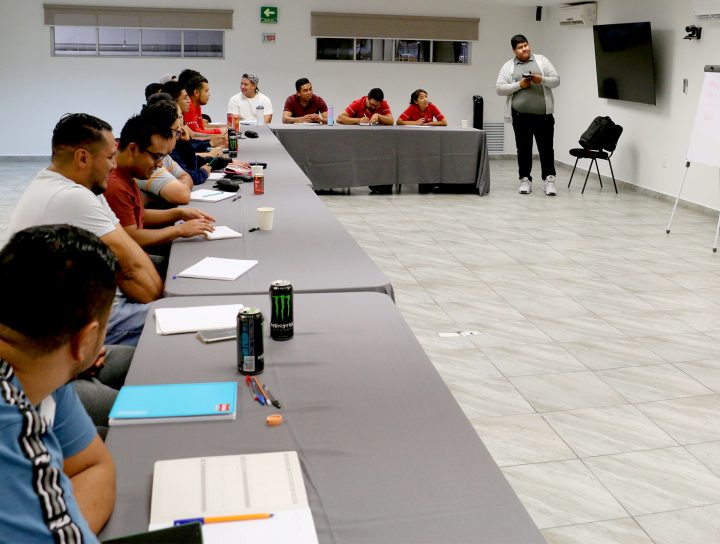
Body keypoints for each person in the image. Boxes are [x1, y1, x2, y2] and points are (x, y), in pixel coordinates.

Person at [0, 224, 117, 541]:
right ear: (86, 340)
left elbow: (93, 466)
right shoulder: (12, 425)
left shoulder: (43, 371)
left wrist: (65, 526)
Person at [9, 113, 162, 346]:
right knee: (180, 322)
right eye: (109, 157)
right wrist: (164, 303)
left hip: (93, 306)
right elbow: (131, 268)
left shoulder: (83, 188)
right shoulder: (70, 197)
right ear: (83, 158)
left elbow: (128, 246)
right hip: (79, 325)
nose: (114, 165)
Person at [104, 113, 215, 250]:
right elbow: (132, 238)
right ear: (132, 149)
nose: (160, 164)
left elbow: (139, 215)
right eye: (156, 157)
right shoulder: (114, 184)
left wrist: (179, 214)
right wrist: (179, 230)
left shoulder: (128, 173)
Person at [496, 34, 560, 196]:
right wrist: (520, 84)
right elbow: (499, 89)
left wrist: (541, 79)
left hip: (544, 116)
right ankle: (525, 180)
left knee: (546, 149)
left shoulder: (542, 60)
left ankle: (549, 180)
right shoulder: (508, 66)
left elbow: (556, 80)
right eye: (520, 47)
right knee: (523, 149)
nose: (524, 49)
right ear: (514, 50)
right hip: (520, 116)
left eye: (526, 45)